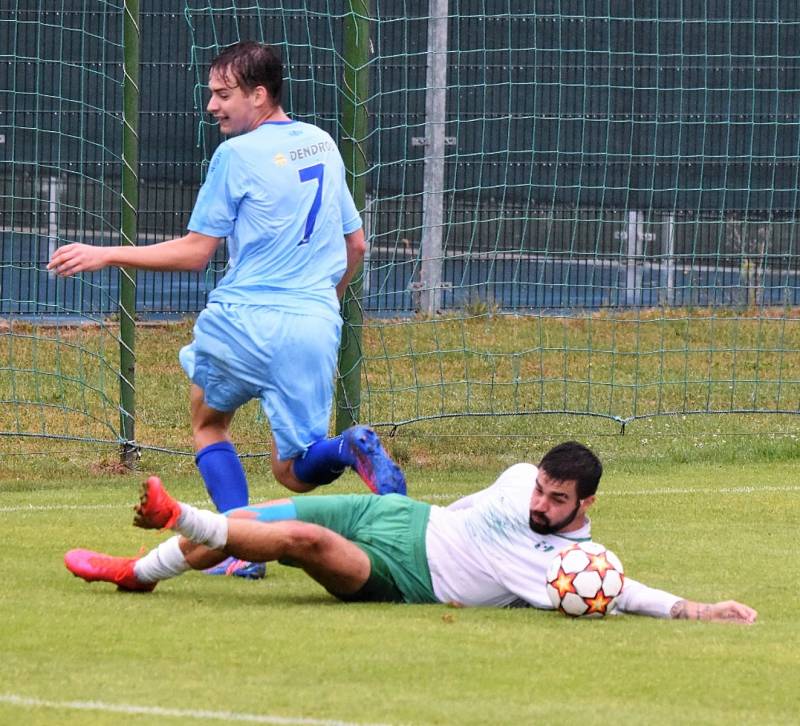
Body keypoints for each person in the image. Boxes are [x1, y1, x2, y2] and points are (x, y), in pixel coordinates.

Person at [48, 41, 405, 577]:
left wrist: (105, 252)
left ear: (259, 96)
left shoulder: (235, 156)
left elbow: (196, 253)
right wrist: (323, 306)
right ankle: (347, 448)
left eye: (223, 94)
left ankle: (239, 549)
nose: (212, 105)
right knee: (295, 471)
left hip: (242, 319)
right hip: (312, 324)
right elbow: (356, 247)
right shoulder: (323, 143)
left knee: (209, 423)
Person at [64, 437, 757, 623]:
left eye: (557, 500)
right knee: (245, 521)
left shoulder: (571, 566)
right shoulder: (519, 478)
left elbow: (622, 590)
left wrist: (695, 608)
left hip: (405, 579)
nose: (540, 502)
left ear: (587, 505)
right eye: (542, 488)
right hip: (398, 517)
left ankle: (177, 513)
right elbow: (471, 508)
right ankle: (139, 571)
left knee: (305, 546)